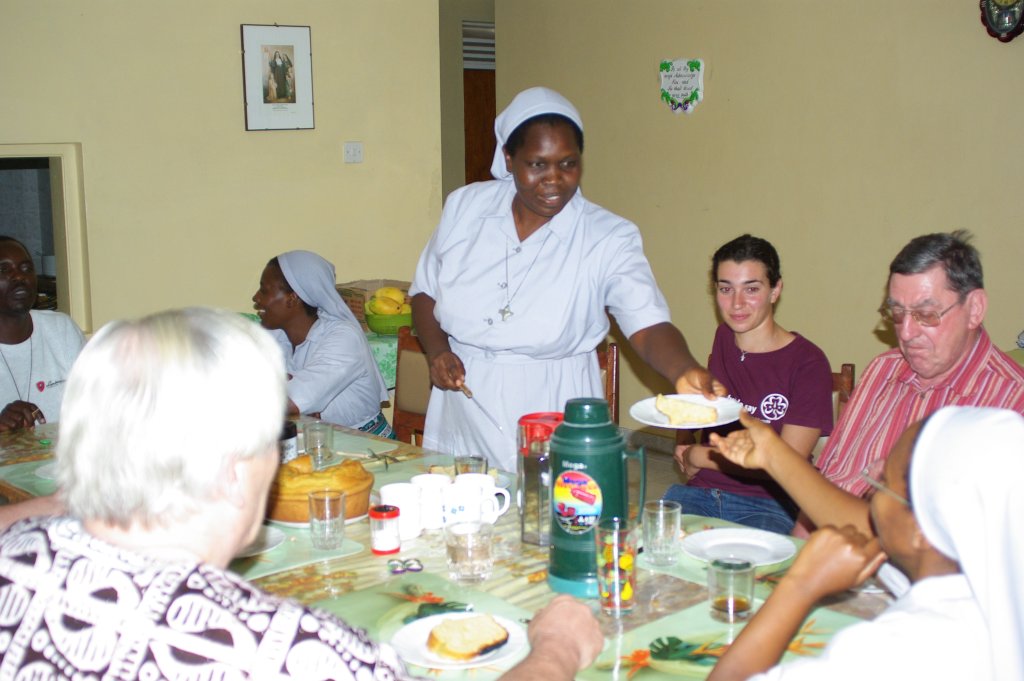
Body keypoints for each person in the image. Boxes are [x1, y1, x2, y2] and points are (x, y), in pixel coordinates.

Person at [0, 307, 604, 680]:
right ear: (237, 467)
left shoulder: (19, 560)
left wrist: (83, 496)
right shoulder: (298, 652)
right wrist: (554, 652)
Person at [410, 86, 724, 471]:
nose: (554, 179)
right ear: (509, 159)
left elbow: (646, 323)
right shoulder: (465, 208)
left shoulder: (607, 236)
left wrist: (683, 369)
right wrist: (438, 351)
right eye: (537, 164)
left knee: (556, 518)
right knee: (462, 519)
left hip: (552, 404)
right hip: (463, 404)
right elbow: (425, 291)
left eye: (567, 163)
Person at [711, 230, 1024, 538]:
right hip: (827, 553)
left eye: (926, 314)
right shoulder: (883, 370)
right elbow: (829, 484)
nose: (906, 333)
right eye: (896, 314)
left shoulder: (1011, 403)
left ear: (975, 309)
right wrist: (795, 557)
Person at [707, 406, 1022, 681]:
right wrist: (773, 454)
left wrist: (799, 586)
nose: (872, 494)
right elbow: (866, 525)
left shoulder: (898, 651)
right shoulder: (984, 571)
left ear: (921, 530)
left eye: (884, 483)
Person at [663, 235, 833, 533]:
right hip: (699, 493)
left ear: (775, 290)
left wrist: (698, 455)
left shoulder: (808, 362)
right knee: (647, 553)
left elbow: (788, 465)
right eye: (725, 289)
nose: (736, 304)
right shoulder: (724, 337)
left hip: (768, 505)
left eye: (751, 289)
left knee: (744, 574)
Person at [252, 250, 393, 436]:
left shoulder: (344, 337)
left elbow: (288, 402)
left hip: (369, 448)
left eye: (264, 290)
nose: (256, 298)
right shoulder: (274, 334)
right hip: (315, 443)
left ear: (292, 299)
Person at [0, 235, 85, 431]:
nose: (19, 277)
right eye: (4, 269)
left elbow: (98, 404)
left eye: (26, 269)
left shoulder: (61, 330)